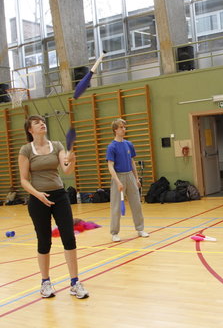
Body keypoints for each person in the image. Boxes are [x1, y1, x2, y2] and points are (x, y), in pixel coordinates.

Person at [18, 115, 89, 299]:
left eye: (42, 121)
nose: (42, 123)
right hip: (38, 198)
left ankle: (74, 283)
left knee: (69, 238)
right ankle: (45, 282)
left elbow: (66, 170)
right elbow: (24, 180)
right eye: (36, 123)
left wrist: (71, 159)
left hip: (59, 196)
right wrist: (38, 194)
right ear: (30, 130)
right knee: (44, 241)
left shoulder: (56, 145)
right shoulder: (26, 150)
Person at [106, 118, 149, 242]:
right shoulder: (111, 147)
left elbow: (132, 162)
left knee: (136, 203)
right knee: (116, 207)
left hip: (130, 176)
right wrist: (117, 181)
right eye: (121, 127)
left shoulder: (129, 144)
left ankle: (140, 229)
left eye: (124, 127)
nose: (124, 129)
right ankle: (114, 233)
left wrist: (136, 178)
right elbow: (110, 166)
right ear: (115, 130)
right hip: (118, 177)